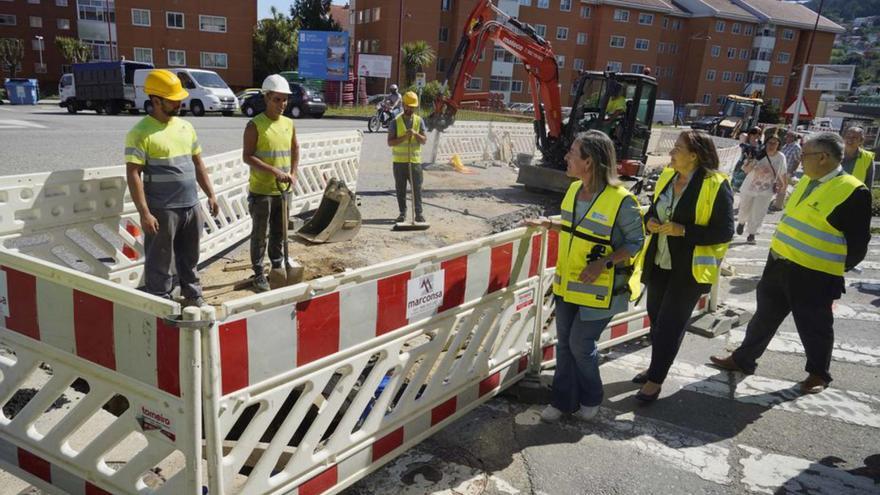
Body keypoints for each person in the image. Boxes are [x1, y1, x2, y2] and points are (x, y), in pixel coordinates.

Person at [711, 133, 872, 394]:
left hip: (815, 273)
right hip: (779, 263)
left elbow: (858, 245)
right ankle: (743, 359)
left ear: (823, 158)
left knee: (814, 325)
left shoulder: (853, 191)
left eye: (804, 155)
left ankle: (818, 374)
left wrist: (830, 267)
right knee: (764, 317)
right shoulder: (809, 180)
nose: (799, 161)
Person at [527, 130, 645, 421]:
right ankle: (562, 401)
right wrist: (548, 224)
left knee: (580, 344)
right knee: (564, 344)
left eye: (572, 152)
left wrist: (602, 263)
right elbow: (575, 229)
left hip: (601, 289)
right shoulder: (573, 190)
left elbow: (635, 243)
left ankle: (592, 396)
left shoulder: (622, 200)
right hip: (568, 285)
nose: (566, 157)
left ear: (589, 162)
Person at [634, 130, 734, 402]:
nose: (671, 152)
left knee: (670, 324)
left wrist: (684, 231)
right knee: (656, 320)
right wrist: (650, 222)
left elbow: (724, 232)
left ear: (694, 155)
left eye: (677, 148)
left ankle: (655, 380)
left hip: (688, 271)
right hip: (659, 261)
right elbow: (654, 211)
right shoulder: (667, 177)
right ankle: (657, 366)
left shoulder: (715, 184)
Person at [124, 69, 219, 307]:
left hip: (190, 205)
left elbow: (198, 163)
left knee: (190, 257)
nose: (179, 103)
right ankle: (161, 301)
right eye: (173, 100)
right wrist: (144, 212)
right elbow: (133, 173)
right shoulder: (140, 133)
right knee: (161, 260)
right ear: (155, 100)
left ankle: (193, 295)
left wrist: (210, 194)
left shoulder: (185, 127)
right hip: (162, 209)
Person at [243, 74, 299, 292]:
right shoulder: (254, 125)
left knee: (280, 230)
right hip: (262, 191)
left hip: (284, 190)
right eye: (277, 99)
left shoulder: (289, 123)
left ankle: (277, 265)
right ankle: (258, 272)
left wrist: (293, 173)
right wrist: (274, 171)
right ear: (266, 98)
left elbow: (295, 148)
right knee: (260, 233)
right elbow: (247, 156)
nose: (282, 104)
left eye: (285, 99)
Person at [736, 131, 786, 244]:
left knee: (758, 212)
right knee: (744, 208)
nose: (772, 145)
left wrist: (783, 185)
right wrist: (751, 162)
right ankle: (741, 222)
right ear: (766, 143)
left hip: (766, 190)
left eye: (775, 143)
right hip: (750, 186)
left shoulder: (781, 157)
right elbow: (745, 169)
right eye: (770, 142)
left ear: (779, 145)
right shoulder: (758, 153)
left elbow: (782, 172)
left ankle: (752, 234)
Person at [387, 91, 427, 223]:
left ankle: (419, 214)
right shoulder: (395, 122)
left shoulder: (419, 121)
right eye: (408, 106)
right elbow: (390, 142)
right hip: (399, 163)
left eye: (413, 107)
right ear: (403, 105)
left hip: (415, 162)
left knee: (417, 190)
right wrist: (405, 137)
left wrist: (415, 134)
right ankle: (402, 213)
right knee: (400, 189)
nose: (410, 109)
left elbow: (424, 140)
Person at [776, 131, 803, 210]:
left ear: (793, 138)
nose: (786, 138)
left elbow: (797, 160)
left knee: (783, 188)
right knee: (779, 187)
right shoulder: (785, 146)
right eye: (786, 136)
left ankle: (778, 206)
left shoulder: (796, 147)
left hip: (787, 171)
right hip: (780, 170)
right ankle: (776, 202)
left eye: (788, 136)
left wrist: (791, 171)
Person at [731, 127, 763, 192]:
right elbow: (742, 135)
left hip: (752, 166)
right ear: (750, 133)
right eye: (755, 132)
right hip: (742, 164)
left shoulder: (759, 144)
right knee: (735, 185)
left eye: (759, 133)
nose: (757, 135)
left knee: (746, 187)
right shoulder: (745, 140)